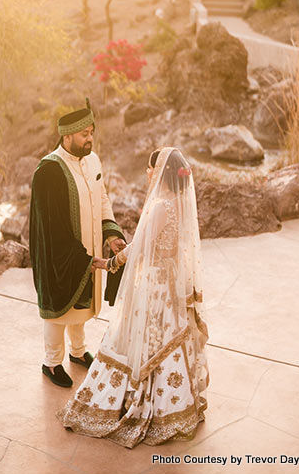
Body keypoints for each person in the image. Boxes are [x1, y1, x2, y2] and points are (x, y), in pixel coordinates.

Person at [60, 147, 209, 447]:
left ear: (161, 171)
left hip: (153, 283)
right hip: (169, 281)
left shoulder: (160, 207)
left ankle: (137, 401)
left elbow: (140, 246)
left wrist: (109, 263)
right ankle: (177, 406)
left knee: (138, 336)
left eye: (150, 167)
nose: (147, 172)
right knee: (168, 336)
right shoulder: (180, 203)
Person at [29, 100, 126, 388]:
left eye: (92, 131)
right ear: (67, 135)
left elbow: (102, 198)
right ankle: (52, 363)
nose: (90, 138)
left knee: (81, 307)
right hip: (59, 255)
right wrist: (86, 259)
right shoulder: (49, 171)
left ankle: (78, 351)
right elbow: (52, 228)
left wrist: (111, 234)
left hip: (88, 249)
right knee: (59, 312)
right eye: (84, 134)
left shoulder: (93, 160)